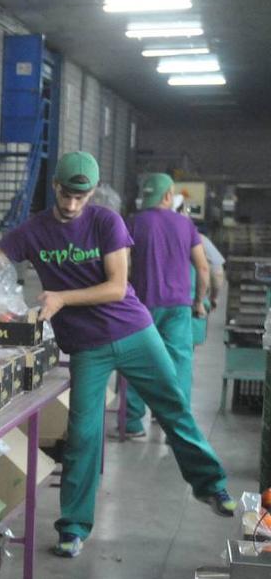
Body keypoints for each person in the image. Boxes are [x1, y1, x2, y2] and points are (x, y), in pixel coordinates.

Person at [0, 152, 232, 558]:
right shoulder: (34, 230)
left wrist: (61, 298)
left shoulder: (106, 222)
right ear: (55, 187)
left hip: (135, 332)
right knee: (84, 436)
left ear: (90, 195)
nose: (71, 205)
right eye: (66, 195)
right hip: (88, 347)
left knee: (174, 406)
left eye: (80, 197)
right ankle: (73, 527)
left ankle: (211, 485)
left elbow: (117, 286)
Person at [122, 174, 210, 438]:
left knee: (137, 363)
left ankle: (133, 423)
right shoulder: (186, 225)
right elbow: (203, 268)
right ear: (168, 196)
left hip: (142, 307)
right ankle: (175, 426)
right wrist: (199, 302)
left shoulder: (134, 223)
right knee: (179, 364)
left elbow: (123, 264)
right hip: (178, 308)